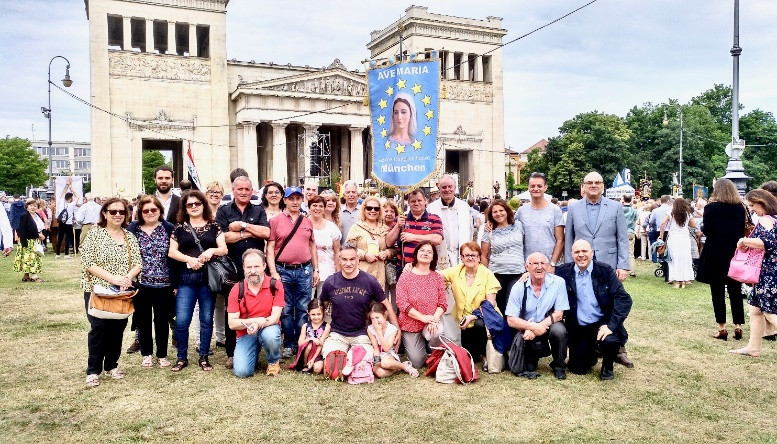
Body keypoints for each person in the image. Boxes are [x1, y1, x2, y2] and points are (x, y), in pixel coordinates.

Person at [564, 171, 633, 368]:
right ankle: (590, 344)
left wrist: (623, 265)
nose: (593, 185)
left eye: (597, 182)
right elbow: (570, 237)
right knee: (585, 303)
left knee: (611, 305)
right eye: (589, 183)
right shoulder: (574, 208)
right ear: (583, 186)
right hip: (582, 264)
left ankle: (619, 348)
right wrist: (570, 266)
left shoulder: (615, 207)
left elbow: (622, 237)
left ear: (603, 186)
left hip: (609, 264)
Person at [80, 197, 142, 387]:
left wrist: (127, 278)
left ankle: (112, 365)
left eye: (121, 212)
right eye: (113, 211)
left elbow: (138, 262)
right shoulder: (94, 234)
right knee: (99, 329)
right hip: (98, 289)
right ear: (104, 213)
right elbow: (88, 262)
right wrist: (113, 278)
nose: (117, 215)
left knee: (117, 329)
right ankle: (93, 370)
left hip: (122, 290)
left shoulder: (129, 236)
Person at [167, 190, 228, 372]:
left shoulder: (214, 226)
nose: (193, 207)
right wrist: (189, 260)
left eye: (197, 203)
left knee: (206, 319)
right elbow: (172, 252)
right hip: (186, 280)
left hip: (207, 280)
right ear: (184, 208)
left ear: (203, 205)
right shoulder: (179, 228)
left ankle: (204, 356)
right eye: (189, 204)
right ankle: (181, 358)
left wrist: (211, 251)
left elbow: (223, 249)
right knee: (182, 321)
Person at [556, 240, 633, 380]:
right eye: (577, 252)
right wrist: (526, 276)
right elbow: (544, 281)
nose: (581, 255)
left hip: (601, 324)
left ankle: (607, 367)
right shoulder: (563, 272)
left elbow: (624, 299)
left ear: (592, 252)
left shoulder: (605, 271)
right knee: (577, 369)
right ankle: (591, 353)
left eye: (584, 251)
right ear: (571, 254)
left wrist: (611, 326)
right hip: (579, 326)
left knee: (610, 340)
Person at [216, 175, 270, 368]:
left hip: (256, 270)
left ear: (252, 190)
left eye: (247, 189)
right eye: (240, 189)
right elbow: (223, 237)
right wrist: (248, 233)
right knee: (234, 310)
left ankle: (259, 346)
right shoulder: (223, 211)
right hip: (232, 269)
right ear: (233, 190)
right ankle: (231, 352)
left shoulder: (258, 209)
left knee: (259, 307)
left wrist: (243, 226)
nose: (244, 192)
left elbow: (267, 233)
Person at [320, 244, 398, 360]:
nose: (348, 263)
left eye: (352, 259)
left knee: (362, 363)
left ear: (357, 260)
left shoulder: (369, 281)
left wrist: (397, 330)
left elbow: (387, 305)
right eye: (344, 259)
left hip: (362, 334)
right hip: (337, 334)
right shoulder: (330, 282)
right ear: (339, 260)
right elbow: (322, 308)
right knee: (333, 363)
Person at [267, 186, 319, 359]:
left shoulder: (307, 221)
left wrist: (315, 269)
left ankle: (301, 342)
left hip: (304, 270)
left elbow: (312, 246)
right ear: (285, 200)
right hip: (283, 270)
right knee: (286, 309)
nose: (295, 202)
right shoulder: (275, 221)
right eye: (291, 198)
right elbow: (271, 247)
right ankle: (289, 343)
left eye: (298, 198)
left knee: (304, 308)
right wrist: (273, 271)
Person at [127, 195, 175, 368]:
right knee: (143, 320)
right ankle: (146, 354)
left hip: (164, 284)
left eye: (153, 209)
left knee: (162, 320)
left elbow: (175, 256)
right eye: (145, 210)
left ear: (160, 211)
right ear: (140, 212)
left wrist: (175, 283)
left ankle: (162, 355)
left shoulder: (168, 228)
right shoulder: (133, 229)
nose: (149, 213)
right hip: (141, 284)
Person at [505, 252, 569, 380]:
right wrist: (532, 327)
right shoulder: (518, 287)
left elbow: (559, 314)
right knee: (529, 367)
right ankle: (534, 355)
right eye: (535, 264)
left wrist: (539, 327)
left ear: (547, 265)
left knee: (559, 330)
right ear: (527, 267)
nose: (539, 267)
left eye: (543, 263)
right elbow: (511, 319)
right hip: (527, 330)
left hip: (548, 323)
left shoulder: (558, 283)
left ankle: (559, 366)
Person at [697, 180, 747, 340]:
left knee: (717, 291)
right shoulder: (740, 208)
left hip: (715, 253)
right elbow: (741, 230)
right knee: (735, 291)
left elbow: (707, 230)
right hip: (734, 253)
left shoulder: (711, 208)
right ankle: (738, 326)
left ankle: (722, 327)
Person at [730, 189, 777, 358]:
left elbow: (768, 243)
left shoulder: (765, 219)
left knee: (770, 312)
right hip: (767, 272)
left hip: (767, 273)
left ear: (761, 203)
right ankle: (753, 347)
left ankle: (753, 347)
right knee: (755, 309)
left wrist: (744, 241)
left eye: (752, 205)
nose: (751, 210)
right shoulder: (774, 219)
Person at [227, 249, 285, 377]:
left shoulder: (275, 285)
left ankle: (273, 361)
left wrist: (258, 324)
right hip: (245, 332)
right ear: (243, 268)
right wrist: (253, 322)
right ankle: (253, 350)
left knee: (270, 335)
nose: (252, 271)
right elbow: (232, 323)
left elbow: (275, 317)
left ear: (264, 266)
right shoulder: (237, 289)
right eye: (249, 267)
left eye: (257, 266)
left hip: (269, 326)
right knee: (242, 372)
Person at [440, 242, 501, 360]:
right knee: (470, 355)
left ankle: (486, 355)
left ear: (479, 257)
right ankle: (476, 353)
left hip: (485, 319)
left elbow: (490, 304)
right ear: (461, 258)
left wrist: (472, 317)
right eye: (466, 255)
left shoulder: (488, 274)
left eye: (473, 255)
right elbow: (434, 276)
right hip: (465, 323)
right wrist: (413, 266)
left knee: (479, 324)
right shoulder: (456, 271)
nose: (470, 258)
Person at [396, 241, 448, 369]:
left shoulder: (437, 277)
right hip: (410, 323)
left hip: (431, 323)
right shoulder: (406, 276)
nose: (425, 253)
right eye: (422, 250)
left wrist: (434, 320)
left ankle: (433, 351)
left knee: (438, 331)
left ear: (433, 257)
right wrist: (422, 317)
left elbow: (443, 303)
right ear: (416, 254)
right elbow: (402, 303)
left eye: (429, 252)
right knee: (417, 363)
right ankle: (421, 349)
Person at [481, 199, 525, 314]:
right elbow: (484, 255)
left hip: (517, 273)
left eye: (501, 210)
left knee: (513, 307)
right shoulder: (489, 231)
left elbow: (525, 246)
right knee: (499, 307)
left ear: (507, 211)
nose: (498, 214)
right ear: (491, 215)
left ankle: (514, 331)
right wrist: (486, 275)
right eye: (495, 212)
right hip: (497, 274)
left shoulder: (519, 226)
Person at [516, 172, 564, 271]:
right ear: (528, 188)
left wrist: (553, 264)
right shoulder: (521, 211)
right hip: (528, 266)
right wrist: (490, 224)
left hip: (549, 265)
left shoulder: (555, 210)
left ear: (545, 188)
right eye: (532, 186)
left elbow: (560, 240)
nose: (536, 188)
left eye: (539, 186)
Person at [346, 195, 393, 292]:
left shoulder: (385, 229)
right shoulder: (356, 227)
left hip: (379, 274)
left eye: (376, 208)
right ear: (364, 209)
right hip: (362, 272)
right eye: (369, 208)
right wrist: (364, 255)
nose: (373, 211)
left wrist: (386, 253)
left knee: (378, 305)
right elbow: (348, 249)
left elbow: (393, 249)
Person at [427, 175, 474, 269]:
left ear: (455, 188)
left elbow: (471, 231)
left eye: (450, 187)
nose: (447, 190)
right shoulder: (431, 208)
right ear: (439, 189)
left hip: (460, 254)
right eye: (444, 187)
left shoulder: (464, 207)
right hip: (440, 255)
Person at [368, 302, 419, 378]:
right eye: (373, 318)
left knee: (385, 363)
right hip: (379, 355)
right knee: (378, 372)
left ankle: (405, 366)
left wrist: (379, 332)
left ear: (385, 314)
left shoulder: (392, 329)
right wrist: (376, 361)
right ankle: (396, 369)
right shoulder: (371, 328)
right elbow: (375, 348)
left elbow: (386, 348)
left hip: (389, 355)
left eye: (377, 317)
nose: (375, 321)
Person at [660, 198, 697, 289]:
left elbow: (663, 223)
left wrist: (661, 235)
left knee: (674, 258)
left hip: (673, 237)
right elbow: (694, 225)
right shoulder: (688, 214)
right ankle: (684, 281)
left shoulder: (671, 213)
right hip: (684, 238)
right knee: (685, 258)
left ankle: (676, 281)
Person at [308, 195, 341, 297]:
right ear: (309, 207)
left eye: (321, 206)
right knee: (307, 302)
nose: (317, 208)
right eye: (314, 205)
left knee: (324, 301)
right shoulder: (303, 224)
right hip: (307, 270)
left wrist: (338, 273)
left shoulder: (332, 227)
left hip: (327, 269)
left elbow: (337, 251)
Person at [294, 299, 331, 373]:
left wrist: (313, 359)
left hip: (318, 353)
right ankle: (305, 364)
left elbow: (320, 344)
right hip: (306, 353)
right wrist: (311, 338)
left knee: (317, 370)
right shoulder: (305, 326)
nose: (316, 317)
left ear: (323, 312)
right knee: (310, 344)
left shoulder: (326, 326)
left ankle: (314, 363)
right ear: (308, 312)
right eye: (313, 314)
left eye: (319, 314)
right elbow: (300, 343)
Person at [14, 199, 45, 282]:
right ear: (27, 207)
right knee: (31, 258)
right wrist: (38, 235)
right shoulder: (25, 215)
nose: (33, 207)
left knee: (31, 258)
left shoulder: (37, 215)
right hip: (28, 240)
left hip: (35, 240)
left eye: (35, 206)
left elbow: (39, 226)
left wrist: (41, 234)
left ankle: (26, 276)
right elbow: (24, 230)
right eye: (31, 205)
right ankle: (34, 276)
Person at [647, 195, 672, 262]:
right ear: (668, 201)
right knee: (669, 246)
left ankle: (662, 260)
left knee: (661, 246)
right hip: (670, 230)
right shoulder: (671, 209)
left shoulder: (655, 210)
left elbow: (651, 221)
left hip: (659, 230)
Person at [57, 184, 79, 258]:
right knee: (67, 238)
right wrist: (72, 189)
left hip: (61, 222)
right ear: (70, 198)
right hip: (68, 223)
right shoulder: (71, 204)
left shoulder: (61, 202)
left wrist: (66, 186)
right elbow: (77, 197)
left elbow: (63, 193)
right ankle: (66, 254)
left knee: (60, 238)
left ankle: (58, 254)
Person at [622, 194, 639, 277]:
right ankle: (632, 271)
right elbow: (635, 221)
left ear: (623, 200)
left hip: (621, 232)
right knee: (631, 253)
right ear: (631, 200)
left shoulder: (619, 209)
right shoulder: (634, 210)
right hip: (630, 231)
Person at [339, 180, 360, 244]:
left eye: (353, 192)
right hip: (343, 250)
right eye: (348, 192)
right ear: (344, 196)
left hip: (361, 251)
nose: (351, 195)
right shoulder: (338, 212)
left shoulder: (364, 211)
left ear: (358, 195)